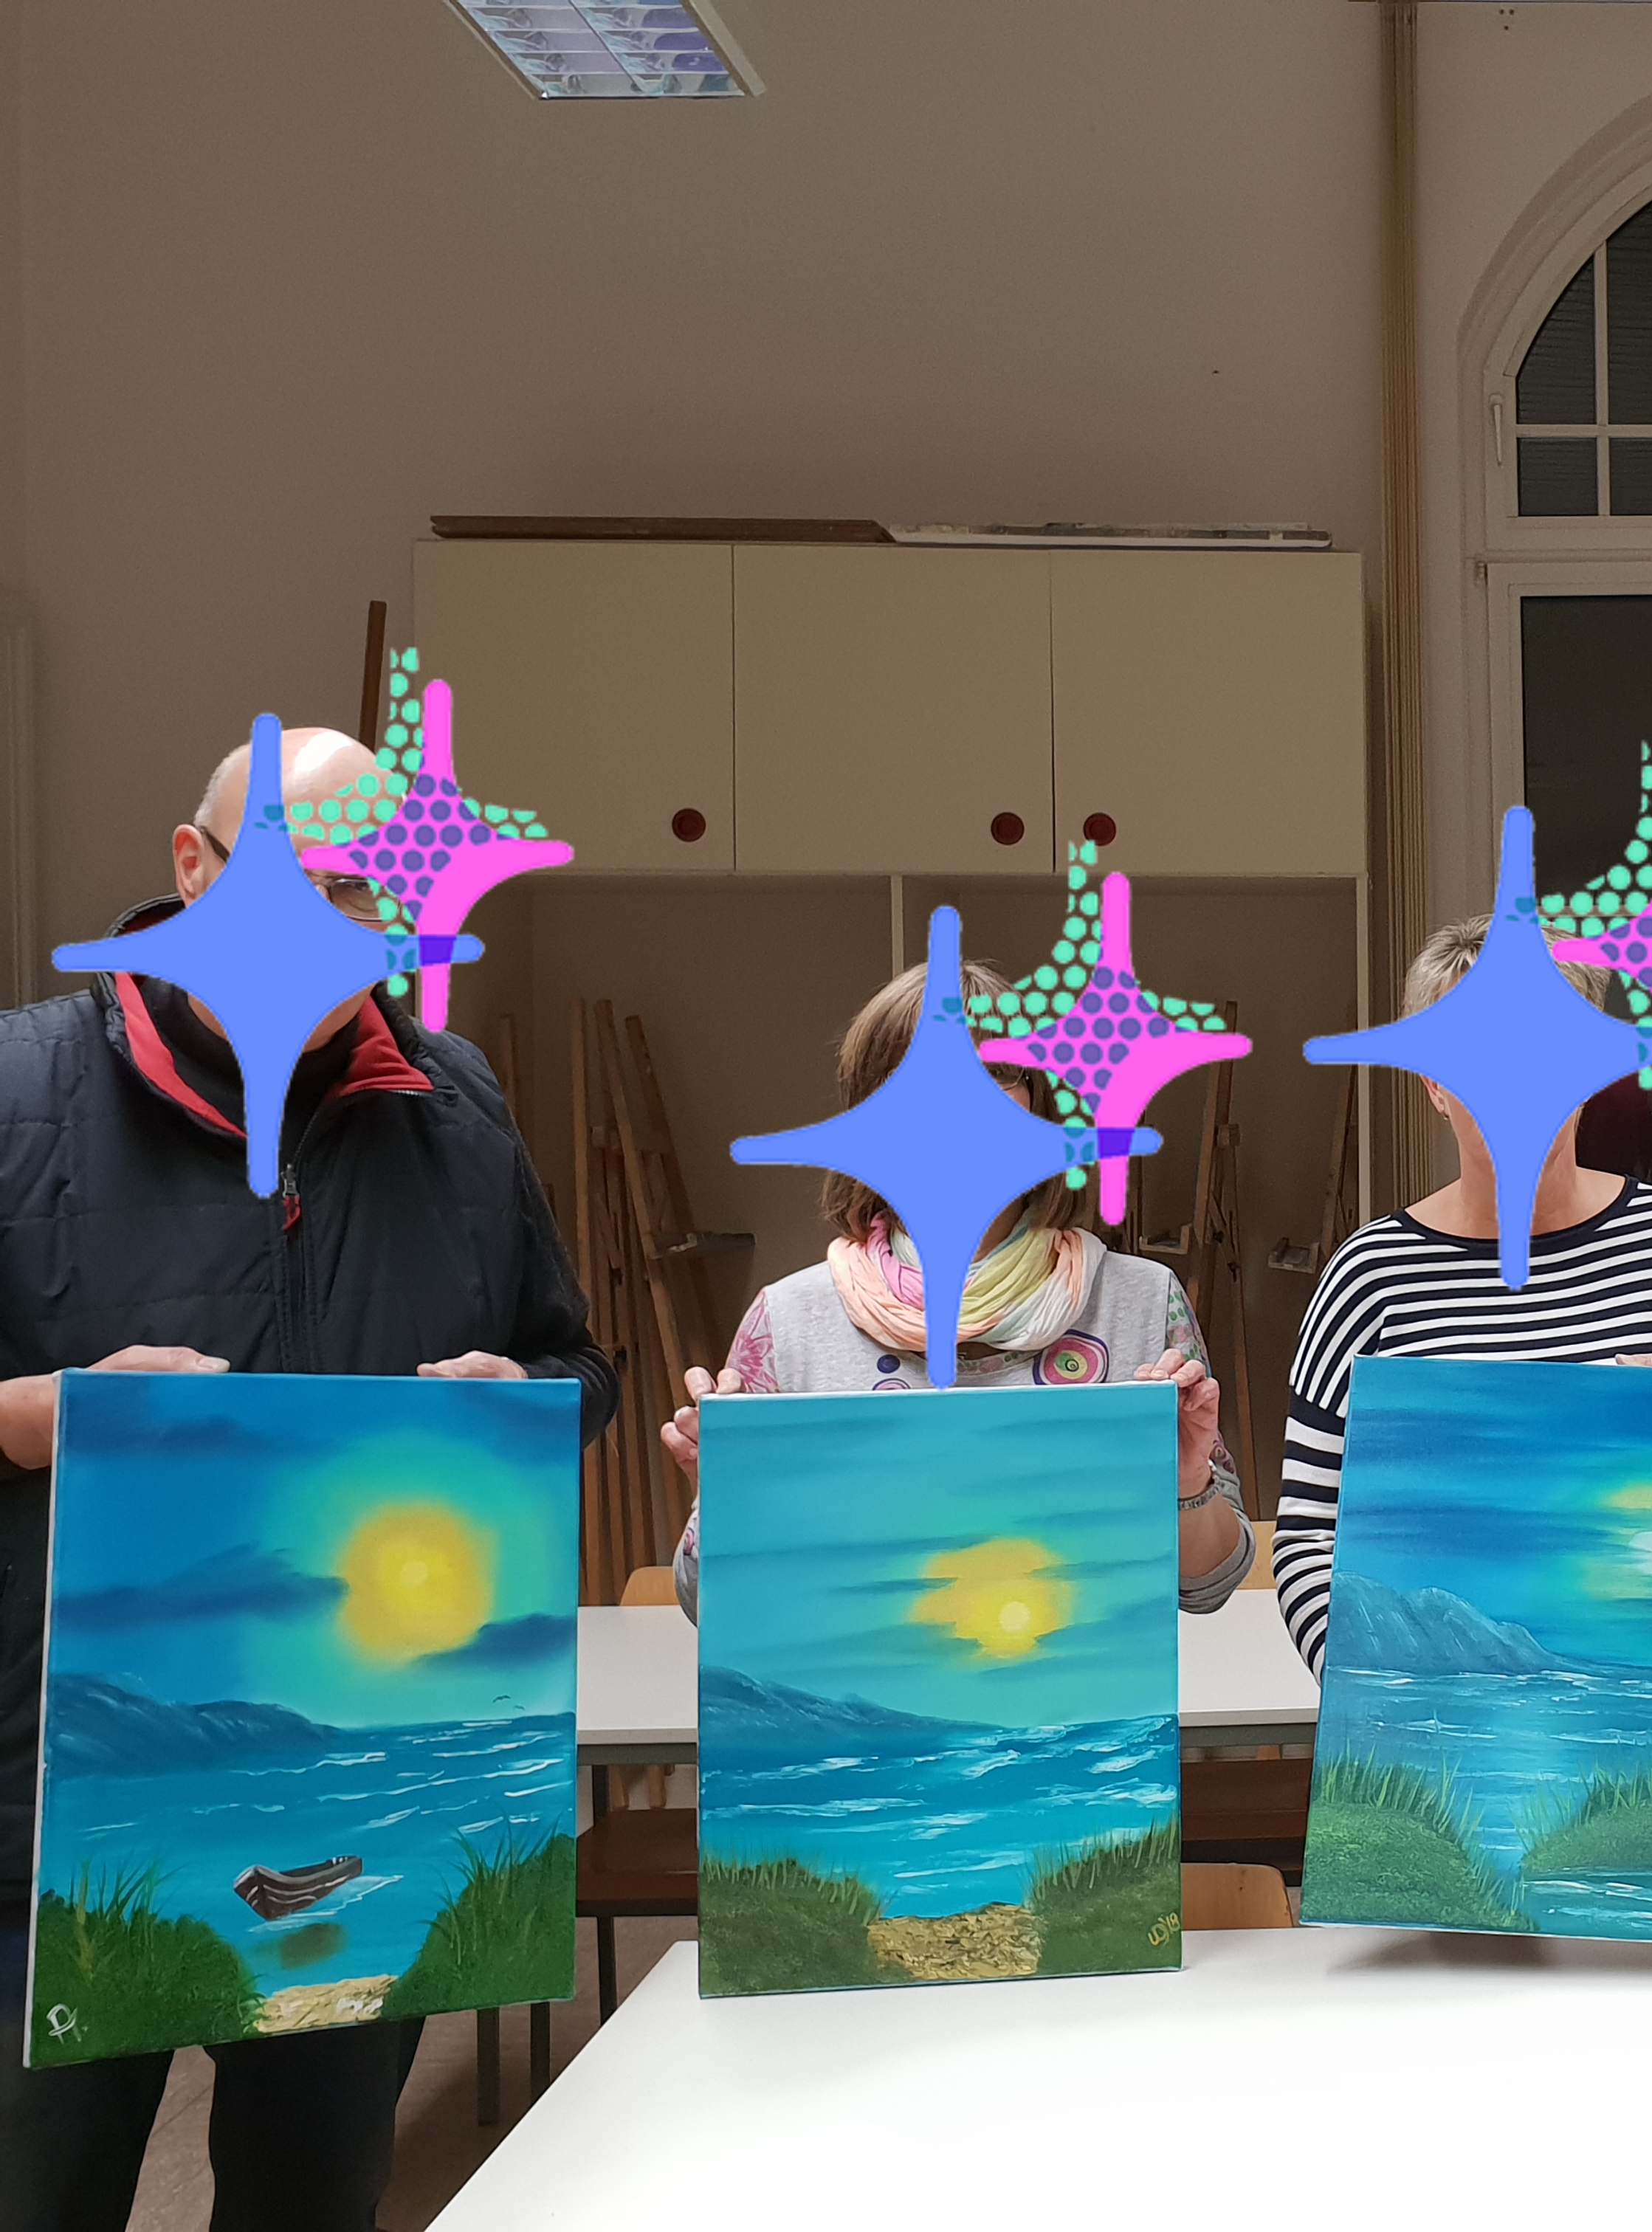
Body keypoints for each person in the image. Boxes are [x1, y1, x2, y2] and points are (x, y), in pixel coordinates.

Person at [0, 728, 616, 2232]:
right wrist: (41, 1416)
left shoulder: (454, 1107)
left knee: (316, 2194)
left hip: (360, 1784)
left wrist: (521, 1403)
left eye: (378, 896)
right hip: (58, 1799)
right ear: (193, 867)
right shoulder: (21, 1087)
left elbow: (577, 1364)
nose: (349, 927)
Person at [1272, 916, 1652, 1675]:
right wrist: (1377, 1692)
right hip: (1432, 1723)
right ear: (1433, 1083)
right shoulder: (1372, 1275)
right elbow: (1306, 1536)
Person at [664, 957, 1250, 1618]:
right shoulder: (790, 1322)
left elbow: (1210, 1584)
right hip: (860, 1685)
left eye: (997, 1072)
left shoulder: (1139, 1302)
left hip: (1088, 1686)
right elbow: (709, 1606)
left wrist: (1187, 1482)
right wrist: (733, 1503)